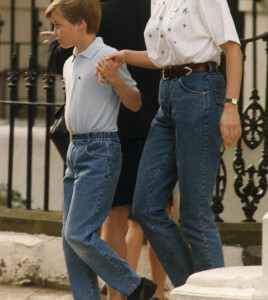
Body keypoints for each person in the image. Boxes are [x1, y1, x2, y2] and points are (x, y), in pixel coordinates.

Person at [95, 0, 243, 288]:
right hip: (168, 94)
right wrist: (125, 56)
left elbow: (232, 48)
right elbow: (164, 57)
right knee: (146, 205)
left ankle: (211, 293)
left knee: (194, 214)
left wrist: (231, 106)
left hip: (200, 90)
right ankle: (194, 289)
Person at [41, 0, 171, 299]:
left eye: (60, 25)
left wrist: (113, 77)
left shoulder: (107, 55)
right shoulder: (71, 61)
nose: (56, 32)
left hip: (102, 148)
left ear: (81, 24)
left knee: (81, 232)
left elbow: (135, 101)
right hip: (78, 149)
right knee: (69, 237)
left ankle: (135, 285)